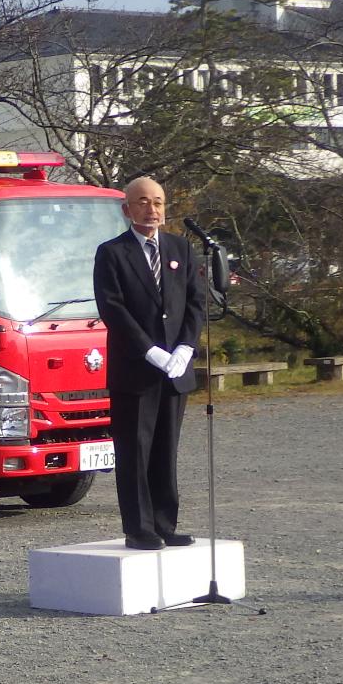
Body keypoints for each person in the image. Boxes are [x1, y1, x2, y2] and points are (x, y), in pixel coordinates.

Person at [91, 176, 207, 550]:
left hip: (175, 370)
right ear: (127, 209)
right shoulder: (112, 253)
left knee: (165, 448)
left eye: (158, 202)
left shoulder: (181, 248)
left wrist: (185, 348)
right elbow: (114, 309)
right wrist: (150, 351)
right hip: (136, 369)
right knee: (135, 450)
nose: (152, 209)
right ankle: (139, 527)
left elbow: (195, 302)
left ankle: (165, 523)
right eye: (143, 202)